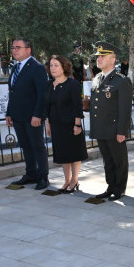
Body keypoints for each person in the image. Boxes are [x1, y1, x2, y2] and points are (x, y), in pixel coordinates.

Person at [89, 42, 133, 201]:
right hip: (101, 128)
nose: (98, 59)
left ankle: (119, 189)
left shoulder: (121, 81)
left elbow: (125, 109)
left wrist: (122, 131)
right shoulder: (97, 78)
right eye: (98, 56)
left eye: (102, 56)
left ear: (113, 59)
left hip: (114, 129)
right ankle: (110, 186)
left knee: (119, 161)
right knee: (107, 161)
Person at [6, 38, 50, 190]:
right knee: (26, 146)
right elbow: (12, 92)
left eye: (18, 47)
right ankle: (30, 174)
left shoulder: (37, 68)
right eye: (13, 47)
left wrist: (38, 115)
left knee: (37, 146)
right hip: (18, 115)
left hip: (33, 116)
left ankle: (43, 177)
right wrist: (9, 112)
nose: (14, 50)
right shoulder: (15, 67)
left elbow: (42, 94)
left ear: (28, 49)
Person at [44, 55, 87, 193]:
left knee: (74, 153)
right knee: (63, 154)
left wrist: (77, 125)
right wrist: (48, 124)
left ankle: (74, 180)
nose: (53, 68)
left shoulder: (73, 84)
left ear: (64, 67)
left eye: (56, 65)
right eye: (51, 65)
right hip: (56, 125)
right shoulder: (49, 85)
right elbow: (47, 107)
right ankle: (67, 180)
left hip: (71, 125)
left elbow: (77, 107)